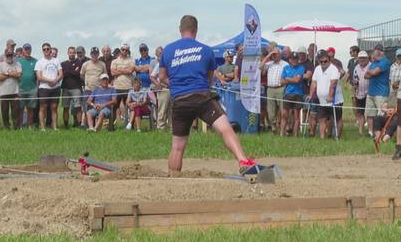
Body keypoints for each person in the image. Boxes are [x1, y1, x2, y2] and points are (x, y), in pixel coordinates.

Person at [159, 15, 256, 173]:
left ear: (180, 30)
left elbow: (162, 77)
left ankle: (173, 178)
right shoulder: (206, 50)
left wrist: (176, 85)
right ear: (196, 30)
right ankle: (243, 162)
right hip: (202, 97)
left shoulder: (168, 50)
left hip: (180, 100)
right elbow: (210, 79)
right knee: (226, 129)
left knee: (177, 146)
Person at [310, 50, 344, 139]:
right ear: (318, 61)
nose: (323, 63)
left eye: (325, 61)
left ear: (329, 59)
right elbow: (314, 82)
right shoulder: (317, 69)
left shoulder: (333, 69)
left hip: (335, 100)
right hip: (322, 100)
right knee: (322, 119)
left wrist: (330, 96)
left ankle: (337, 137)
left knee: (337, 119)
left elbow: (333, 84)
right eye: (321, 61)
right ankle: (322, 138)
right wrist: (311, 95)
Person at [260, 44, 288, 134]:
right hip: (270, 89)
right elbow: (260, 66)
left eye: (275, 54)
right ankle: (273, 126)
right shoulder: (269, 64)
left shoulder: (285, 64)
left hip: (281, 88)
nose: (274, 56)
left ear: (279, 54)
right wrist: (269, 55)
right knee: (270, 112)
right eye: (273, 55)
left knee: (283, 110)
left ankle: (283, 130)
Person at [364, 45, 390, 138]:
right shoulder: (373, 63)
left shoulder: (385, 62)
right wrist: (372, 72)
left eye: (380, 50)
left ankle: (383, 133)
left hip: (381, 93)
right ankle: (371, 133)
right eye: (376, 50)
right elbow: (366, 76)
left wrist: (371, 72)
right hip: (371, 92)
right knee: (370, 114)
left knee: (381, 114)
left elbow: (374, 72)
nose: (378, 52)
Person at [35, 42, 62, 131]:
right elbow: (39, 76)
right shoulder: (39, 62)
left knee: (54, 108)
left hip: (55, 87)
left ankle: (54, 127)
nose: (46, 50)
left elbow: (61, 74)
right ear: (42, 51)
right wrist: (50, 81)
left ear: (50, 49)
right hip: (44, 88)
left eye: (47, 49)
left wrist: (55, 81)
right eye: (44, 49)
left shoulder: (56, 60)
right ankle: (43, 128)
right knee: (43, 108)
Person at [111, 43, 135, 128]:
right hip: (117, 87)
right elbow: (113, 72)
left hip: (128, 87)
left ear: (128, 51)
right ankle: (111, 126)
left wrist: (119, 70)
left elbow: (131, 71)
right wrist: (125, 70)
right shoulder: (114, 61)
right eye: (123, 49)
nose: (124, 51)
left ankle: (129, 125)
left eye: (126, 50)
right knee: (114, 107)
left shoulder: (131, 60)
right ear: (120, 50)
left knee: (129, 107)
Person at [0, 49, 22, 129]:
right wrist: (10, 74)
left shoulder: (17, 64)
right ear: (5, 55)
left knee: (15, 111)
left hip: (15, 91)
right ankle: (6, 127)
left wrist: (6, 74)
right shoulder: (0, 65)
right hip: (4, 92)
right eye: (8, 55)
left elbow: (19, 75)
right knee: (4, 111)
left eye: (11, 55)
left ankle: (16, 127)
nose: (9, 57)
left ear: (13, 55)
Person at [80, 47, 107, 125]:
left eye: (96, 53)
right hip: (88, 89)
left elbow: (105, 76)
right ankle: (84, 124)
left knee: (97, 107)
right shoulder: (85, 64)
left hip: (98, 90)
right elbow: (81, 75)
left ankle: (96, 124)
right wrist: (87, 82)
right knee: (86, 107)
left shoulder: (102, 64)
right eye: (93, 54)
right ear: (90, 54)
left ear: (98, 54)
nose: (94, 55)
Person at [281, 52, 304, 137]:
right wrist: (291, 79)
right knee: (284, 115)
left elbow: (297, 80)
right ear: (289, 59)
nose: (294, 60)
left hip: (298, 94)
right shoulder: (285, 68)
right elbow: (282, 81)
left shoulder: (301, 68)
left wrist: (287, 78)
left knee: (296, 116)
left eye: (296, 59)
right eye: (292, 59)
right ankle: (281, 134)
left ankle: (295, 135)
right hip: (288, 93)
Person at [61, 46, 84, 128]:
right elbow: (63, 74)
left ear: (75, 53)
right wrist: (73, 71)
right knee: (65, 107)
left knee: (78, 107)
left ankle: (79, 124)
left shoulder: (79, 63)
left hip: (76, 88)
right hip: (65, 88)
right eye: (70, 52)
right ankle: (66, 125)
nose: (72, 54)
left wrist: (68, 71)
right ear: (68, 53)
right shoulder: (63, 64)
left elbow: (77, 73)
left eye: (73, 53)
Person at [17, 43, 38, 128]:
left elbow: (37, 75)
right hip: (21, 88)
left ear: (31, 50)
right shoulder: (18, 61)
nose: (27, 51)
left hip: (32, 88)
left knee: (30, 109)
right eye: (26, 49)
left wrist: (37, 87)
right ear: (23, 50)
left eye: (29, 49)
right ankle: (21, 126)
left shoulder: (35, 61)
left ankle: (29, 126)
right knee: (20, 108)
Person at [297, 46, 317, 136]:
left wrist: (297, 76)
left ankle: (311, 130)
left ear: (305, 54)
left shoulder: (309, 64)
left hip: (306, 91)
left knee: (308, 111)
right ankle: (297, 130)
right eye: (299, 54)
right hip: (296, 91)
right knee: (296, 111)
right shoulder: (295, 62)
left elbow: (308, 76)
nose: (300, 55)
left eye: (302, 54)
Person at [352, 51, 370, 136]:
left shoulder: (371, 66)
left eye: (363, 58)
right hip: (359, 93)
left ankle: (371, 131)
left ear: (367, 58)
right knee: (360, 113)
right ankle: (361, 131)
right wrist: (354, 89)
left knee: (369, 113)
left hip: (369, 93)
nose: (362, 59)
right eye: (360, 58)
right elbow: (355, 79)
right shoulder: (356, 67)